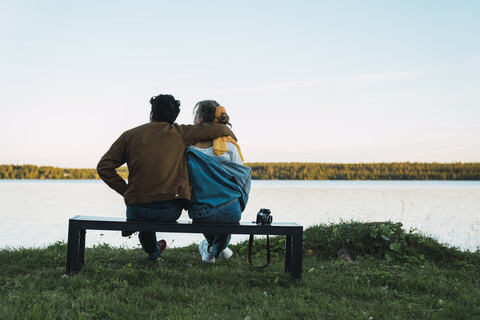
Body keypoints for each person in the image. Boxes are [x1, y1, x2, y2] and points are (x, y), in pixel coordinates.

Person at [97, 94, 237, 261]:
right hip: (169, 210)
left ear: (152, 114)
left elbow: (103, 167)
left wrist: (127, 191)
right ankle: (161, 251)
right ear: (174, 117)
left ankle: (154, 254)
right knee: (151, 214)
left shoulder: (130, 135)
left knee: (144, 222)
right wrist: (228, 131)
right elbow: (213, 129)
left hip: (137, 209)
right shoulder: (179, 132)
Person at [186, 100, 251, 263]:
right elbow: (242, 177)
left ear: (200, 119)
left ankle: (210, 249)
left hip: (201, 212)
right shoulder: (229, 145)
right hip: (231, 210)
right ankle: (215, 249)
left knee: (206, 208)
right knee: (227, 213)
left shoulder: (189, 148)